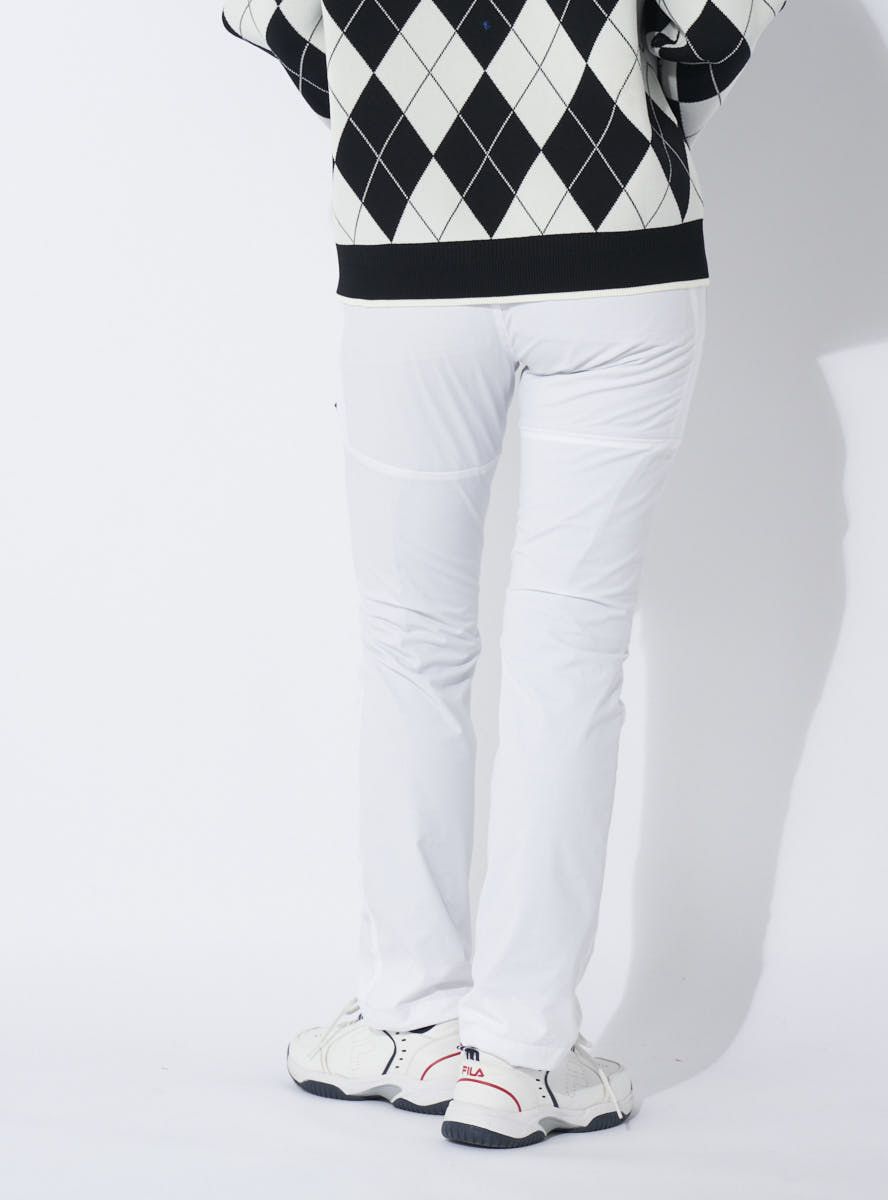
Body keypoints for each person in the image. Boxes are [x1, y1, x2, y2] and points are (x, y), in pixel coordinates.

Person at [221, 0, 790, 1149]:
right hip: (618, 253)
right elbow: (718, 25)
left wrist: (389, 83)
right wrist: (624, 87)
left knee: (411, 647)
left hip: (406, 245)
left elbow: (266, 12)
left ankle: (409, 1019)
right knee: (567, 656)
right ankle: (522, 1055)